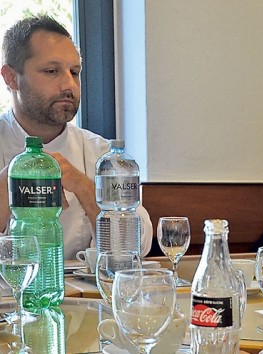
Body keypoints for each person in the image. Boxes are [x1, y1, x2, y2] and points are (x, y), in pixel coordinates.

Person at [0, 15, 153, 260]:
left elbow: (140, 245)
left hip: (84, 296)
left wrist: (84, 187)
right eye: (51, 71)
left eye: (75, 72)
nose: (69, 85)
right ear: (11, 78)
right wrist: (8, 185)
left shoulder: (102, 154)